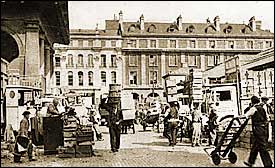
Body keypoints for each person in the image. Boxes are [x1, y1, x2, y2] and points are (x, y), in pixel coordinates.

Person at [242, 96, 273, 167]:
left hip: (257, 129)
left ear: (252, 102)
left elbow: (246, 115)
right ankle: (251, 161)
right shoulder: (263, 108)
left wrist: (238, 117)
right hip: (264, 128)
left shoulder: (254, 108)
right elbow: (267, 118)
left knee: (262, 147)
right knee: (255, 146)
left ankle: (268, 164)